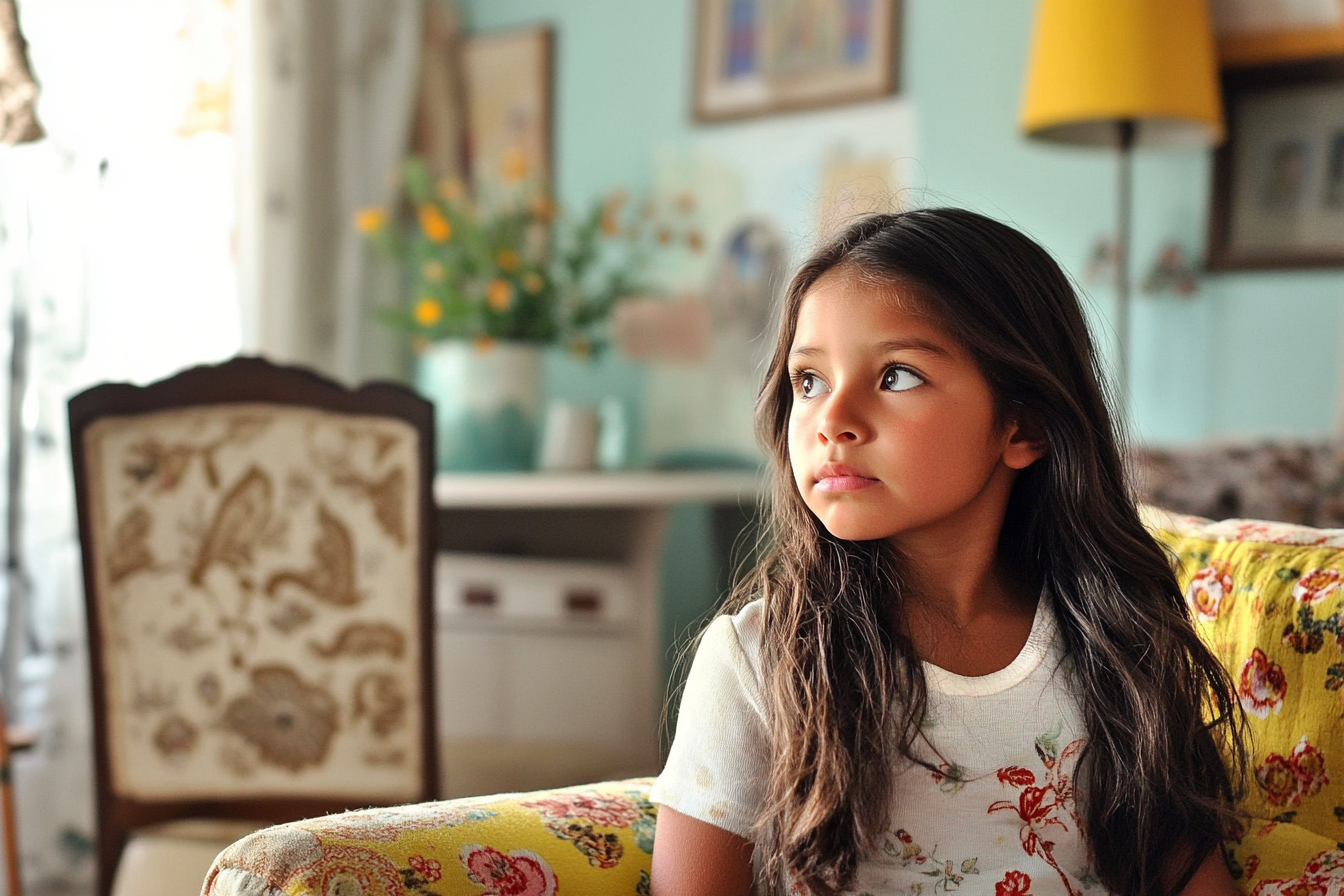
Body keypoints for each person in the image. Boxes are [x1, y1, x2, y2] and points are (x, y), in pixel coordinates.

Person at [648, 209, 1247, 896]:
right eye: (808, 381)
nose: (831, 420)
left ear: (1023, 425)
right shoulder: (758, 662)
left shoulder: (1116, 645)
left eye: (897, 376)